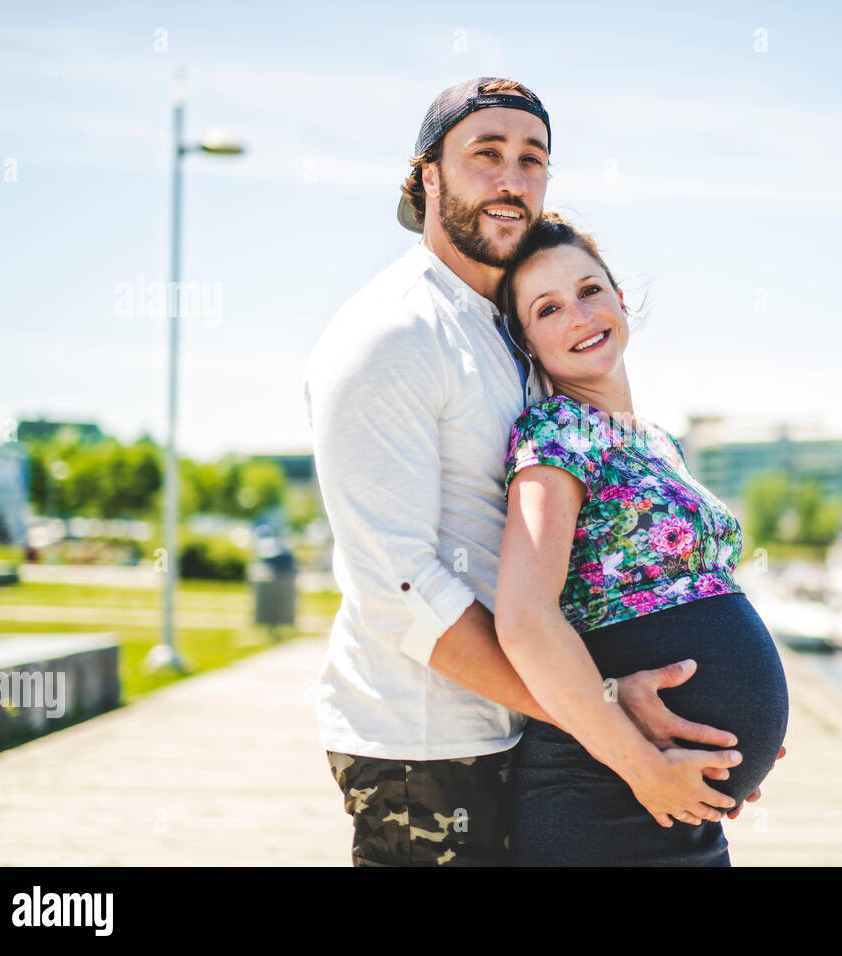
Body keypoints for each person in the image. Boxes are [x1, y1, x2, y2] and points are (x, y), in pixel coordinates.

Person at [303, 77, 750, 867]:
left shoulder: (509, 332)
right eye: (486, 155)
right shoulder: (390, 335)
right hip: (429, 746)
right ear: (427, 176)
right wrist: (611, 725)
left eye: (532, 159)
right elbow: (397, 591)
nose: (513, 178)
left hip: (533, 734)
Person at [495, 212, 791, 866]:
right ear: (527, 343)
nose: (578, 314)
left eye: (589, 290)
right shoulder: (555, 432)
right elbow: (524, 617)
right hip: (604, 793)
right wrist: (640, 758)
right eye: (548, 309)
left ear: (620, 298)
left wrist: (748, 742)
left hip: (681, 799)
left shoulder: (659, 441)